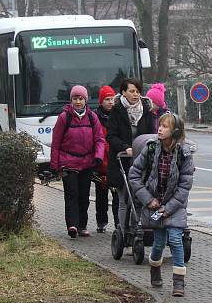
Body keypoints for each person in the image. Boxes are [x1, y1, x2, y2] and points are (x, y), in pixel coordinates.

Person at [128, 113, 194, 297]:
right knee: (158, 244)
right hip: (154, 205)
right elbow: (134, 175)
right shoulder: (150, 149)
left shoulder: (184, 153)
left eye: (165, 126)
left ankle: (178, 282)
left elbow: (185, 185)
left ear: (175, 131)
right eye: (160, 125)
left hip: (175, 205)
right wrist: (148, 200)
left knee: (175, 240)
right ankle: (155, 269)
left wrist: (170, 208)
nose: (160, 129)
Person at [49, 85, 106, 238]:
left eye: (81, 98)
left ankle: (82, 225)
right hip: (68, 162)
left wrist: (98, 156)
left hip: (87, 163)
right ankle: (72, 225)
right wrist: (55, 165)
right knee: (71, 195)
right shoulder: (64, 117)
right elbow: (56, 142)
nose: (78, 101)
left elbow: (99, 138)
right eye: (75, 98)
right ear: (71, 100)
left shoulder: (92, 117)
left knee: (84, 196)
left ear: (85, 100)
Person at [107, 79, 157, 237]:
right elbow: (111, 135)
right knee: (124, 200)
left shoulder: (146, 111)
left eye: (137, 91)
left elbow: (151, 134)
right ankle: (123, 232)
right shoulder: (117, 111)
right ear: (123, 92)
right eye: (131, 91)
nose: (135, 94)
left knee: (140, 198)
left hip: (142, 161)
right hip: (122, 160)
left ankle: (138, 229)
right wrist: (125, 148)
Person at [93, 85, 118, 233]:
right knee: (101, 196)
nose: (110, 102)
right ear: (101, 101)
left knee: (117, 196)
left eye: (112, 99)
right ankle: (101, 221)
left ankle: (118, 223)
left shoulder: (118, 116)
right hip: (101, 163)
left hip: (115, 162)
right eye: (107, 99)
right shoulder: (95, 118)